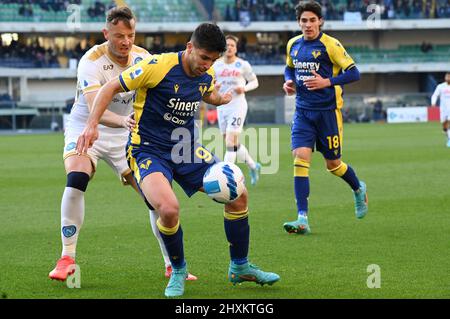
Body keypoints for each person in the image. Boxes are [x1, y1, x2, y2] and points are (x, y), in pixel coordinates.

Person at [76, 23, 280, 297]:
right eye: (204, 57)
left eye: (213, 60)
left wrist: (220, 99)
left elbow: (207, 93)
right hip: (147, 149)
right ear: (189, 48)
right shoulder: (157, 66)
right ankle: (179, 270)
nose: (207, 65)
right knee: (169, 210)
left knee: (239, 196)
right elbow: (110, 87)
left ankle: (240, 266)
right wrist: (91, 125)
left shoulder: (204, 75)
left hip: (186, 148)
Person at [48, 6, 197, 282]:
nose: (126, 42)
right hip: (88, 127)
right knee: (78, 176)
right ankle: (66, 257)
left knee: (154, 198)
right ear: (106, 34)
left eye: (130, 35)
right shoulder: (91, 61)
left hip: (128, 134)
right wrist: (124, 122)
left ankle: (171, 264)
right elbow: (96, 107)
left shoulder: (145, 58)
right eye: (119, 36)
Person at [282, 1, 368, 235]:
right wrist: (288, 81)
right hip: (302, 112)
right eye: (303, 20)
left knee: (333, 165)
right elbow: (289, 68)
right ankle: (302, 218)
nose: (308, 25)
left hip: (328, 113)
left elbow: (354, 73)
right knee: (300, 158)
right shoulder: (293, 44)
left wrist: (326, 82)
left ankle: (358, 188)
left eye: (312, 20)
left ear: (320, 21)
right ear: (298, 22)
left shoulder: (331, 45)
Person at [213, 35, 261, 185]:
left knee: (229, 141)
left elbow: (255, 82)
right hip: (222, 106)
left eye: (232, 45)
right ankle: (254, 166)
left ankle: (230, 177)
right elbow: (210, 82)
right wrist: (214, 87)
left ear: (236, 48)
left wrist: (244, 88)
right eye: (227, 45)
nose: (229, 47)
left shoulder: (243, 65)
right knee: (233, 143)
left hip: (237, 106)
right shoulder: (216, 65)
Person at [431, 72, 450, 147]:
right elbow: (435, 95)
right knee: (444, 125)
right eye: (447, 77)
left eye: (449, 77)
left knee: (449, 124)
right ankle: (448, 137)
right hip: (443, 109)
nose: (448, 78)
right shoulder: (441, 86)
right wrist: (433, 103)